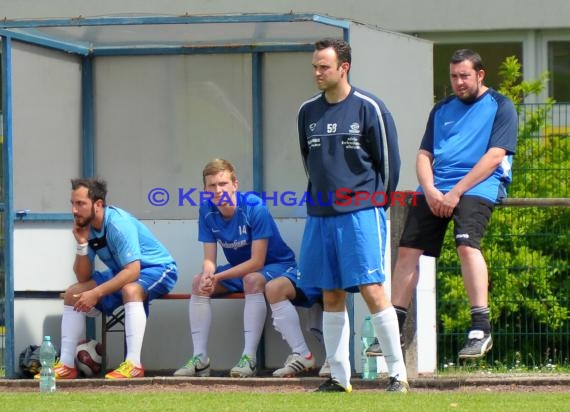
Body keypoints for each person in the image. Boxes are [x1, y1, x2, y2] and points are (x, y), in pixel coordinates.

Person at [389, 49, 518, 360]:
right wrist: (432, 191)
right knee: (407, 250)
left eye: (465, 76)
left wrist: (456, 192)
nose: (459, 82)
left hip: (478, 185)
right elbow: (424, 155)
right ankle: (392, 327)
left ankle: (480, 328)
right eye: (454, 76)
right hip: (437, 188)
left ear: (480, 75)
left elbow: (495, 156)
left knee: (466, 245)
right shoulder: (442, 108)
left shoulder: (501, 105)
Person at [297, 38, 408, 393]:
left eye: (323, 66)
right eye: (315, 66)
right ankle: (339, 378)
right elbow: (309, 162)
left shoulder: (369, 107)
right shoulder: (306, 112)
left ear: (343, 67)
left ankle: (398, 375)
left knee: (373, 290)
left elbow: (389, 164)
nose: (317, 72)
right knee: (330, 295)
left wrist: (376, 203)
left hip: (361, 212)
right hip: (321, 214)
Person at [174, 158, 323, 378]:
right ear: (205, 189)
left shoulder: (254, 207)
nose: (218, 190)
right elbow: (209, 259)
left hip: (277, 266)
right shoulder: (206, 210)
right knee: (198, 283)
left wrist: (218, 275)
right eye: (212, 185)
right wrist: (208, 274)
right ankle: (200, 358)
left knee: (252, 279)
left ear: (235, 184)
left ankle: (249, 358)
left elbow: (257, 262)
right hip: (237, 270)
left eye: (223, 183)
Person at [46, 178, 178, 379]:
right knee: (73, 293)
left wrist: (96, 293)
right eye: (72, 203)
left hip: (158, 269)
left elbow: (133, 271)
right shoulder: (87, 227)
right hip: (122, 272)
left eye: (80, 204)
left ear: (98, 204)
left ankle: (133, 364)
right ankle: (66, 364)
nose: (74, 210)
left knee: (130, 289)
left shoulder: (117, 224)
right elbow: (83, 276)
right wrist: (82, 244)